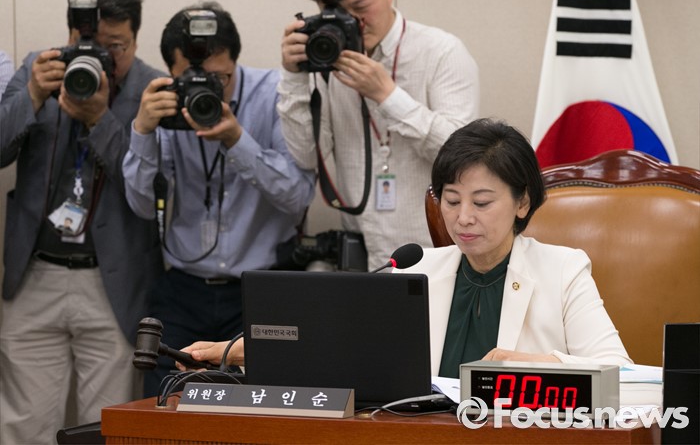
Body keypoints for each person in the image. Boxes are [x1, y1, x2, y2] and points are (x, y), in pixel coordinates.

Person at [179, 118, 632, 377]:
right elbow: (335, 346)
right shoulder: (416, 270)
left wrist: (533, 365)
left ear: (523, 202)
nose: (463, 217)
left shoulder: (563, 270)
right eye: (451, 201)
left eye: (481, 202)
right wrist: (233, 351)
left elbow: (622, 374)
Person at [0, 0, 164, 444]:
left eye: (116, 46)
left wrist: (100, 120)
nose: (101, 56)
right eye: (88, 42)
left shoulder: (151, 88)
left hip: (113, 281)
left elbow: (150, 193)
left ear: (134, 39)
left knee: (108, 426)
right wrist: (33, 96)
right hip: (34, 275)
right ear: (72, 33)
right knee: (23, 425)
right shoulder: (40, 68)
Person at [123, 2, 316, 397]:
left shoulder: (273, 95)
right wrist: (142, 131)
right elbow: (143, 206)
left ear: (234, 61)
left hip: (263, 288)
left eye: (219, 78)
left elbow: (298, 197)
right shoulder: (168, 102)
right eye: (191, 79)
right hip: (183, 289)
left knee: (256, 408)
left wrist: (236, 140)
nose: (206, 89)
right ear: (171, 72)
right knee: (163, 405)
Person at [278, 0, 479, 270]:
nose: (353, 22)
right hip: (360, 260)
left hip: (434, 256)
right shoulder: (323, 60)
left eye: (360, 7)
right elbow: (306, 156)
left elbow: (464, 157)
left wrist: (387, 96)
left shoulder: (442, 52)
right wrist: (293, 76)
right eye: (335, 11)